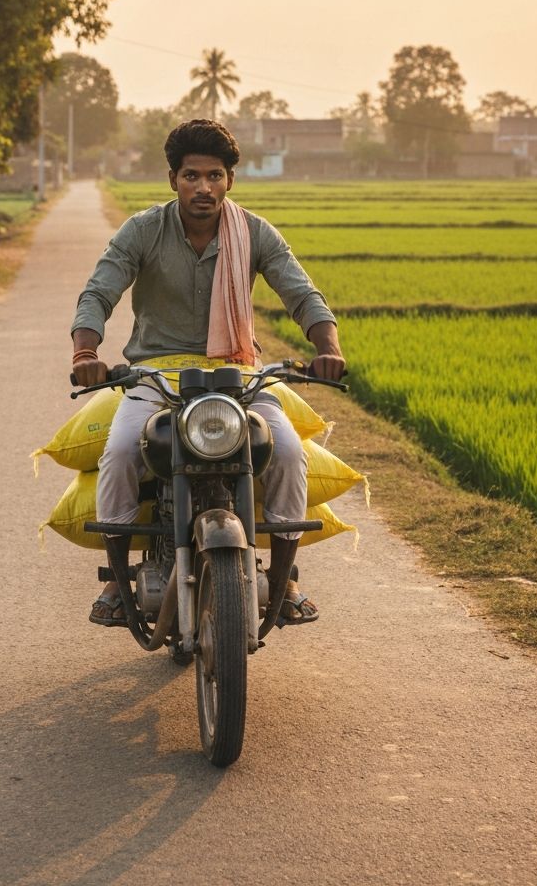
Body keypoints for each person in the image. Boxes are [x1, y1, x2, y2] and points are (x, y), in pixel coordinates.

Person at [71, 119, 345, 627]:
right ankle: (115, 580)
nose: (204, 188)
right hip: (156, 374)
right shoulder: (143, 230)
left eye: (215, 176)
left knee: (286, 452)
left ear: (230, 181)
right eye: (192, 176)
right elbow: (99, 291)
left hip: (237, 370)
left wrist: (328, 346)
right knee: (122, 449)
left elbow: (301, 294)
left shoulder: (255, 232)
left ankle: (284, 583)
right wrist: (84, 354)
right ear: (172, 179)